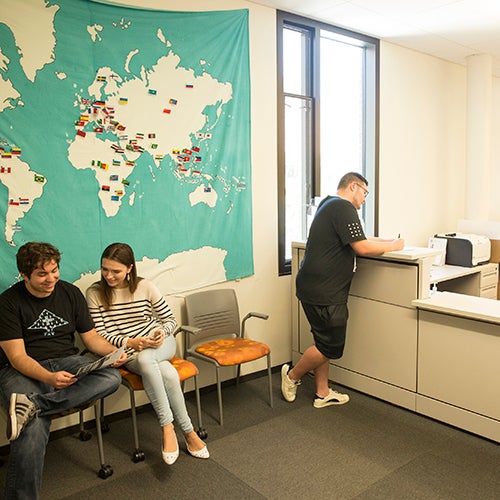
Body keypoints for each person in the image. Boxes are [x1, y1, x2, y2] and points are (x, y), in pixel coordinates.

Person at [0, 242, 126, 500]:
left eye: (54, 271)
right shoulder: (8, 303)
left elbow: (90, 340)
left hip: (66, 360)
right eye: (42, 274)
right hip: (21, 368)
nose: (51, 279)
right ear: (24, 275)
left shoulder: (69, 292)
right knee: (31, 428)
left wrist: (113, 353)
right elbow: (16, 357)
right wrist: (48, 378)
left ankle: (35, 405)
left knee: (111, 377)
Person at [281, 172, 405, 408]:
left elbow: (359, 236)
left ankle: (322, 392)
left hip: (312, 286)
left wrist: (385, 239)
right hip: (325, 291)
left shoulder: (329, 203)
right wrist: (394, 245)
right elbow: (361, 247)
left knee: (322, 340)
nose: (365, 199)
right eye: (365, 193)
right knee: (330, 346)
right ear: (353, 186)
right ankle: (292, 377)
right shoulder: (344, 207)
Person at [85, 242, 209, 465]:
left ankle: (167, 426)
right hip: (131, 351)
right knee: (168, 374)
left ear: (130, 268)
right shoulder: (94, 293)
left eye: (116, 271)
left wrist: (161, 332)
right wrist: (129, 341)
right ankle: (189, 433)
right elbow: (101, 333)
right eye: (104, 269)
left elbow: (170, 320)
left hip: (161, 344)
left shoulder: (146, 287)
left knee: (147, 357)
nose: (109, 276)